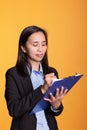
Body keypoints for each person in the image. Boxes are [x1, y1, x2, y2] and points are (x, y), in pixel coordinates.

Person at [5, 26, 68, 130]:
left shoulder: (51, 72)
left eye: (43, 44)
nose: (40, 49)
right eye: (35, 44)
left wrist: (56, 105)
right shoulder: (13, 74)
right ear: (23, 48)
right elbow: (14, 109)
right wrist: (42, 90)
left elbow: (55, 111)